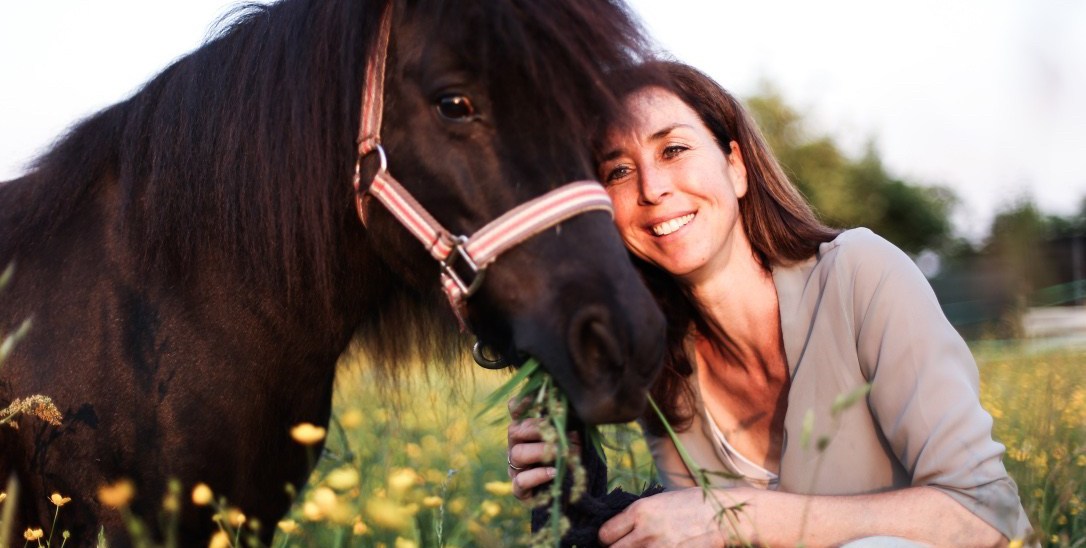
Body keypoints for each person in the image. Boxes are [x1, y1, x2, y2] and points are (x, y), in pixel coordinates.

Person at [505, 60, 1032, 546]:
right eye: (618, 171)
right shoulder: (659, 357)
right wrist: (567, 476)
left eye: (673, 150)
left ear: (735, 167)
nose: (652, 188)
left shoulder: (859, 274)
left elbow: (988, 517)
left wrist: (737, 515)